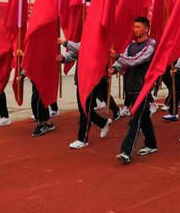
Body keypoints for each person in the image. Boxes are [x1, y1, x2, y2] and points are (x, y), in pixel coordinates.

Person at [112, 17, 157, 164]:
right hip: (131, 87)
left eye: (138, 27)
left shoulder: (150, 45)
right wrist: (114, 68)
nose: (135, 29)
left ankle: (126, 152)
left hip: (142, 88)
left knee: (135, 121)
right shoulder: (131, 45)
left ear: (146, 29)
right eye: (134, 27)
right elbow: (124, 59)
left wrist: (118, 56)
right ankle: (151, 144)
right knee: (143, 118)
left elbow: (135, 60)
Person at [57, 39, 111, 149]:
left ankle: (83, 139)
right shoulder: (85, 41)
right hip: (80, 81)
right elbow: (74, 53)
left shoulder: (97, 42)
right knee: (84, 110)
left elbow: (84, 49)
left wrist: (65, 43)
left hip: (91, 81)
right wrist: (63, 58)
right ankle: (103, 123)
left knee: (85, 111)